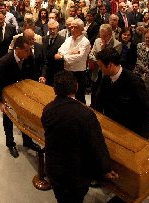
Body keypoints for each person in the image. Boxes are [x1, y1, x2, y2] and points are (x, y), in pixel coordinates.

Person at [42, 70, 118, 203]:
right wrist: (105, 168)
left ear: (54, 90)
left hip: (53, 169)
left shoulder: (48, 109)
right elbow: (96, 144)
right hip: (76, 174)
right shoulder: (86, 114)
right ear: (76, 87)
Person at [0, 36, 40, 158]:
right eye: (26, 50)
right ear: (17, 49)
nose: (29, 53)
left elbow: (32, 75)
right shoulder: (4, 62)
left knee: (26, 118)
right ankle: (10, 144)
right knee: (8, 120)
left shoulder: (29, 57)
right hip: (8, 96)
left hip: (24, 95)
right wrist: (1, 102)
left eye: (29, 50)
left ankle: (28, 141)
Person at [95, 48, 149, 138]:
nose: (99, 69)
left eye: (101, 66)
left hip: (129, 131)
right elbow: (98, 102)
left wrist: (143, 138)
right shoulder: (106, 78)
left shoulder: (134, 83)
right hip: (110, 126)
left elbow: (147, 111)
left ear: (110, 65)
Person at [55, 18, 91, 103]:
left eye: (76, 27)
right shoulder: (69, 39)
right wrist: (70, 52)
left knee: (79, 97)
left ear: (82, 29)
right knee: (66, 95)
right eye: (72, 27)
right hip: (67, 71)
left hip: (78, 73)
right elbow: (60, 50)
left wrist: (63, 56)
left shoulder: (85, 42)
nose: (73, 30)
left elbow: (79, 57)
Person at [43, 19, 65, 85]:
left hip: (58, 70)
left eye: (54, 29)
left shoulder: (63, 40)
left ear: (57, 28)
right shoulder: (44, 39)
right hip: (46, 70)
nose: (52, 31)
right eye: (50, 29)